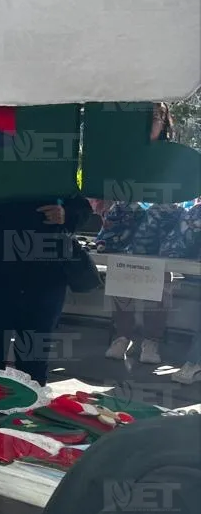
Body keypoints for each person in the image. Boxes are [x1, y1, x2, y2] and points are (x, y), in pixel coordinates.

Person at [0, 133, 92, 387]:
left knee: (33, 354)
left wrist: (65, 213)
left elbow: (83, 209)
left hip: (44, 277)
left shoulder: (51, 174)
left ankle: (29, 412)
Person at [106, 103, 180, 366]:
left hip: (161, 226)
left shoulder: (172, 153)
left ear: (165, 122)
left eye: (157, 118)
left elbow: (181, 189)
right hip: (128, 225)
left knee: (159, 282)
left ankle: (152, 341)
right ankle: (122, 336)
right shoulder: (127, 152)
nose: (151, 123)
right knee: (122, 277)